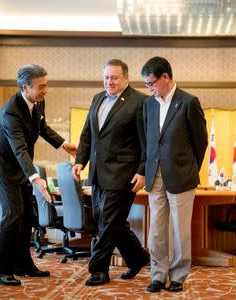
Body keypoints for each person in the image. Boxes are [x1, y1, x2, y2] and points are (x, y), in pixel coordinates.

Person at [0, 64, 77, 286]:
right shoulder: (10, 111)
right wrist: (36, 178)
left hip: (20, 166)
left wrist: (64, 145)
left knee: (27, 217)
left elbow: (42, 127)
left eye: (46, 84)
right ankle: (3, 271)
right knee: (13, 215)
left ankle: (23, 265)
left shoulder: (37, 101)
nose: (46, 90)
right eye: (41, 86)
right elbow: (19, 148)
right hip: (4, 167)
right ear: (25, 87)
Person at [72, 59, 149, 286]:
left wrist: (143, 171)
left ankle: (98, 270)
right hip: (97, 172)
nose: (109, 82)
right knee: (106, 221)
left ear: (126, 78)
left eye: (114, 77)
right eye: (106, 77)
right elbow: (88, 134)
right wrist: (80, 161)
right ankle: (138, 257)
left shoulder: (140, 101)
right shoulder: (97, 98)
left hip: (123, 173)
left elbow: (146, 142)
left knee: (108, 221)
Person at [141, 56, 208, 293]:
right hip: (155, 175)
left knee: (180, 231)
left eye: (151, 83)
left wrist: (189, 168)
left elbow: (200, 143)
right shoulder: (148, 105)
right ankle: (158, 275)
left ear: (166, 77)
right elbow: (146, 143)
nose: (149, 88)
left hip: (181, 176)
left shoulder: (189, 102)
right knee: (156, 231)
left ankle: (178, 275)